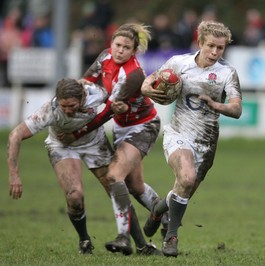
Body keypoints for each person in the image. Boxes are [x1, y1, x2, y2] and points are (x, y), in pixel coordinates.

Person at [60, 23, 166, 256]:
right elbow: (87, 81)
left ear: (133, 50)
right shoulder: (105, 56)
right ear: (111, 44)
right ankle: (167, 216)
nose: (119, 50)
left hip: (143, 125)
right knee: (135, 187)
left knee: (114, 175)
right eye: (117, 45)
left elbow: (108, 111)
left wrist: (77, 133)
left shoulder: (134, 74)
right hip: (121, 127)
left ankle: (122, 237)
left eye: (126, 47)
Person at [141, 20, 242, 257]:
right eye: (211, 46)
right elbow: (148, 82)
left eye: (221, 48)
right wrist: (149, 90)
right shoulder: (179, 63)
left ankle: (157, 210)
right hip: (179, 133)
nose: (215, 52)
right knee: (186, 178)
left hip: (207, 142)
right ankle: (171, 237)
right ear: (200, 42)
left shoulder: (227, 73)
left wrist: (217, 104)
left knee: (182, 191)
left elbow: (236, 110)